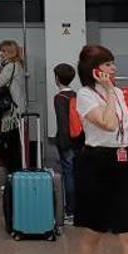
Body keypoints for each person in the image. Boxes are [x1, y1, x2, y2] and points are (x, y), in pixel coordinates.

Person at [73, 45, 128, 254]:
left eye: (113, 63)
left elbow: (124, 126)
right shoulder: (84, 95)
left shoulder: (118, 91)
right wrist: (108, 92)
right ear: (95, 70)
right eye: (108, 64)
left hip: (121, 163)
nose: (113, 68)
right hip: (96, 164)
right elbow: (108, 123)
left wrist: (112, 92)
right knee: (93, 233)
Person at [49, 63, 79, 225]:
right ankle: (79, 209)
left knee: (68, 175)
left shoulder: (59, 98)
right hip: (78, 140)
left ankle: (70, 211)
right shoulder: (76, 95)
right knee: (75, 173)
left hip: (65, 141)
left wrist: (61, 141)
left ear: (57, 79)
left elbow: (63, 122)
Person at [0, 39, 28, 174]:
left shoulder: (9, 67)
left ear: (10, 52)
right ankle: (15, 174)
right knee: (14, 145)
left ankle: (13, 173)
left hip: (11, 114)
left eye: (3, 51)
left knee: (6, 145)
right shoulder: (18, 65)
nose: (0, 54)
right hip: (18, 111)